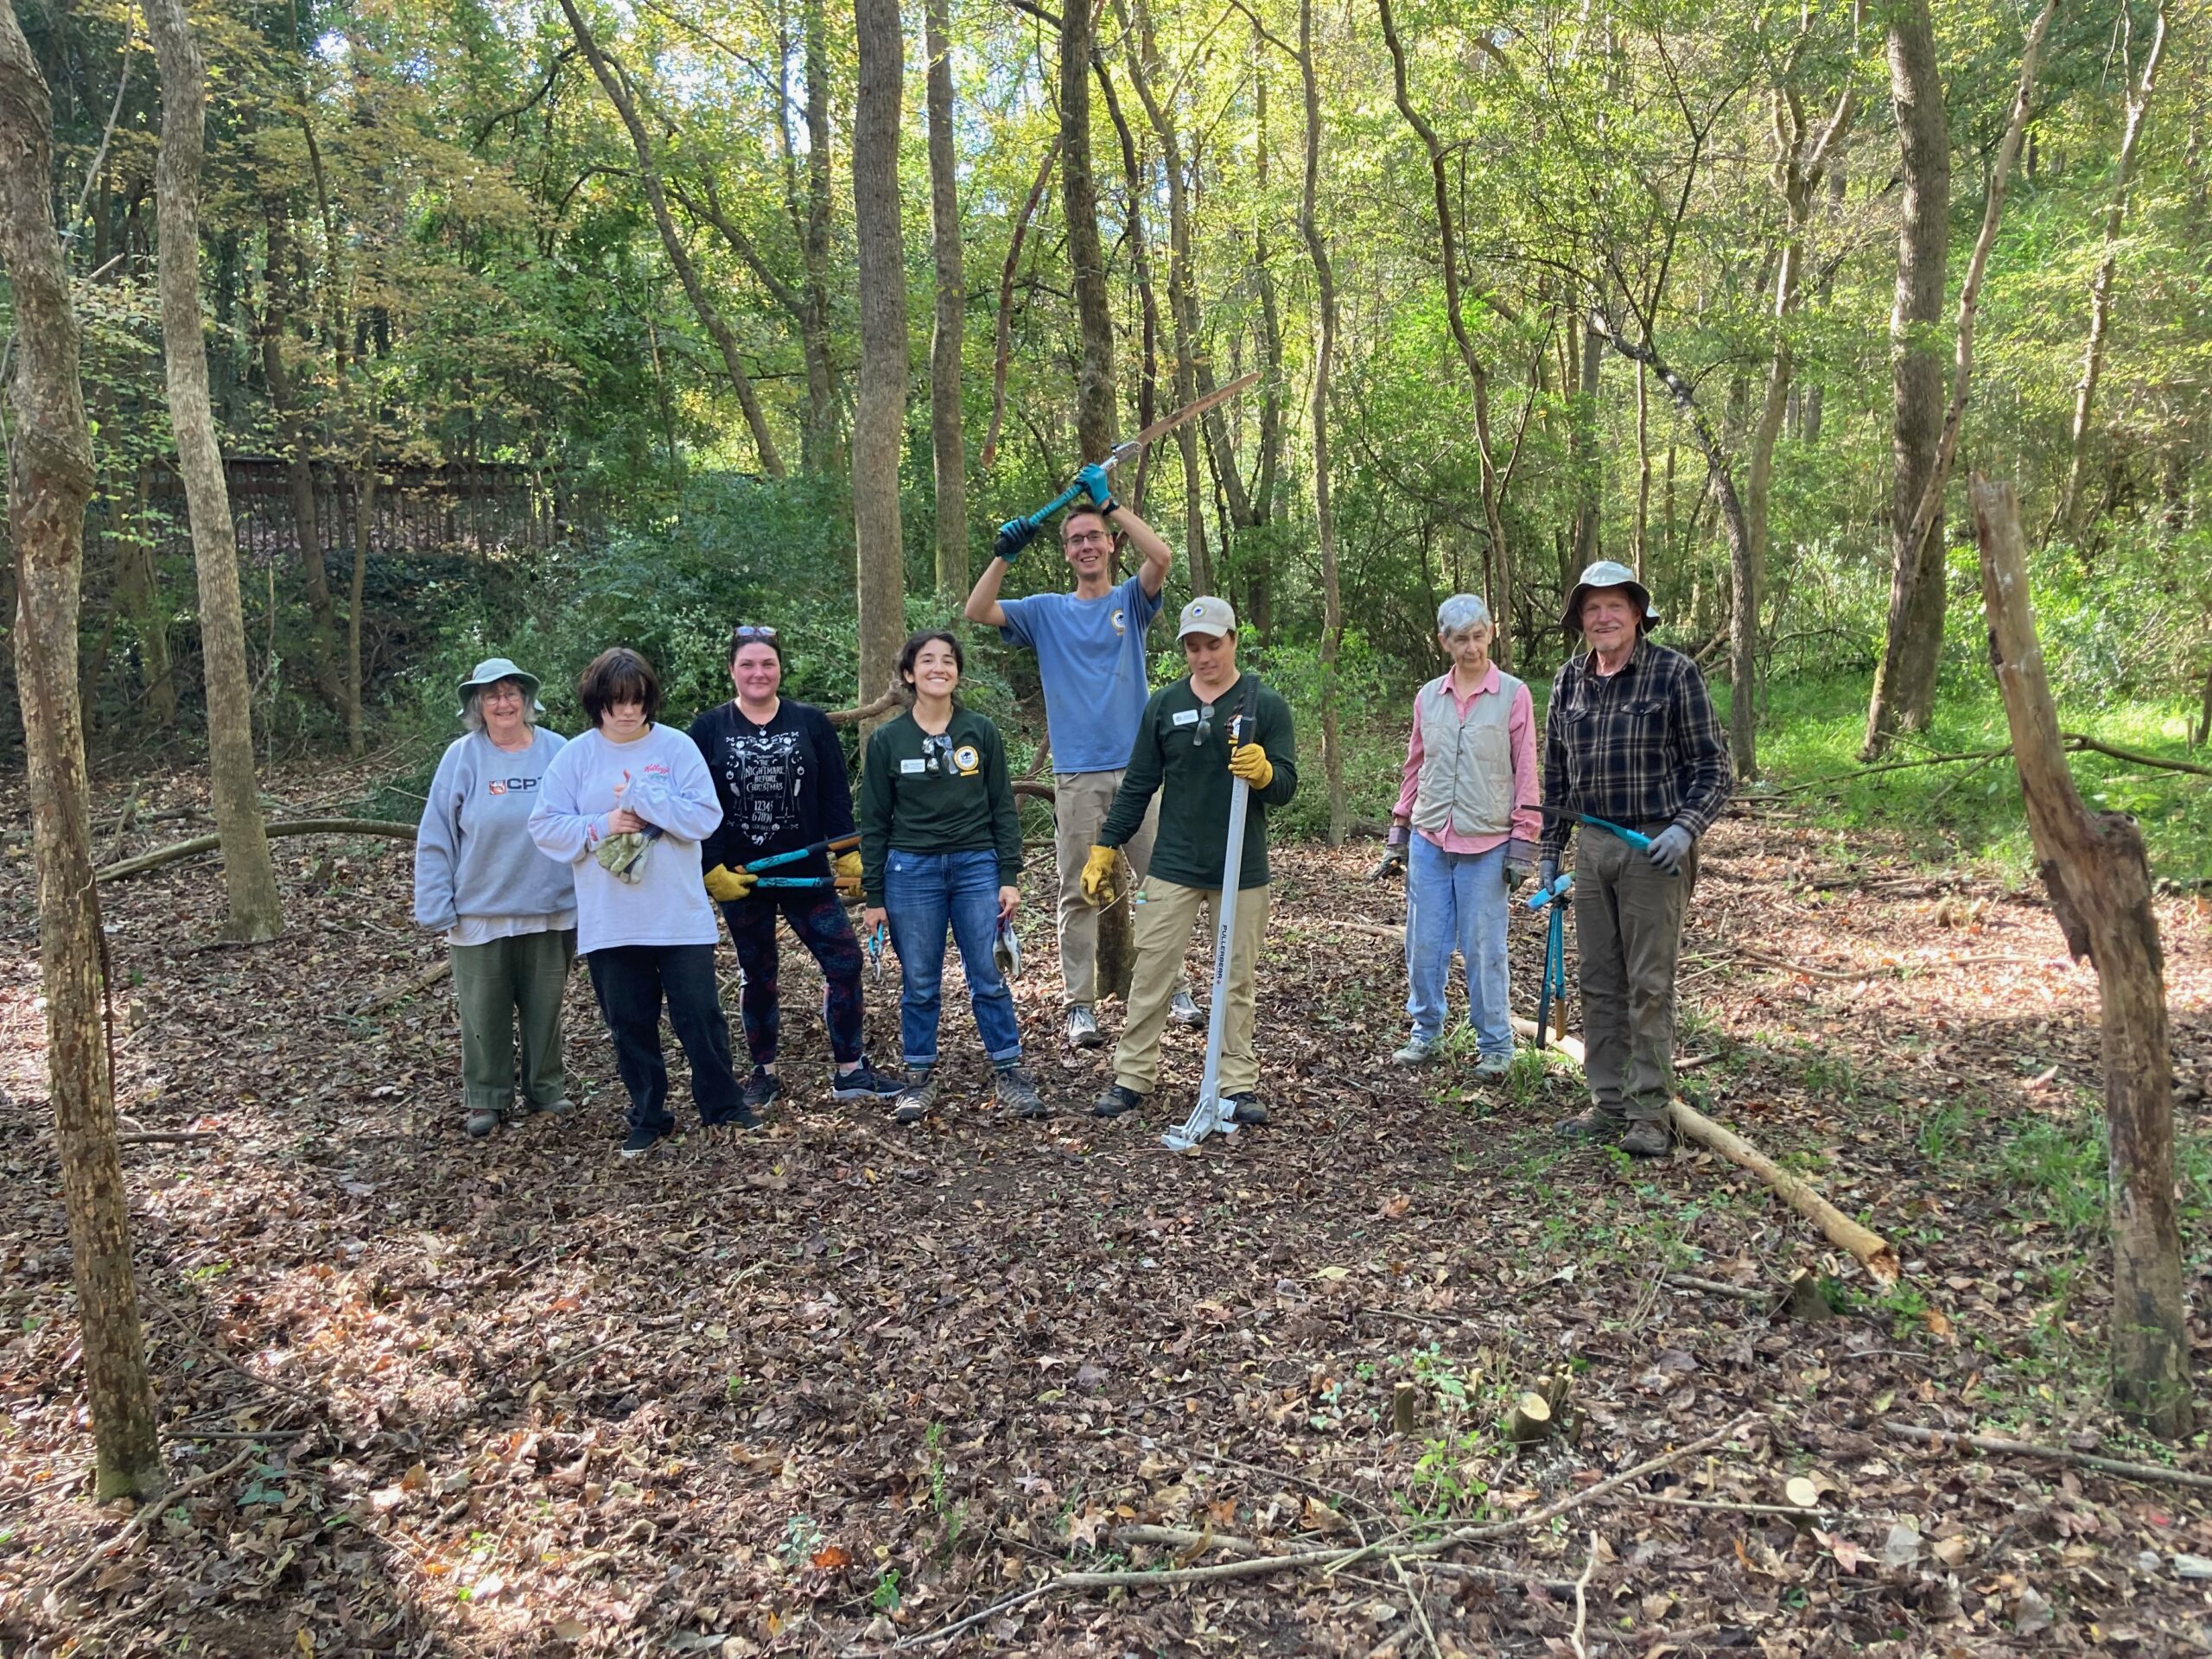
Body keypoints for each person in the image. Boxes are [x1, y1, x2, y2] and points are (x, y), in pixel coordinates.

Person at [963, 467, 1203, 1049]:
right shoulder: (1045, 611)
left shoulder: (1130, 601)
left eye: (1095, 536)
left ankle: (1174, 988)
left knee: (1163, 885)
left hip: (1143, 772)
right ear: (1066, 551)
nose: (1087, 546)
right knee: (1079, 890)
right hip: (1077, 774)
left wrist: (1110, 503)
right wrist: (1004, 556)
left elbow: (1163, 556)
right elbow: (977, 610)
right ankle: (1080, 1007)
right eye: (1076, 539)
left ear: (1110, 544)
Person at [1539, 561, 1731, 1158]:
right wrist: (1550, 853)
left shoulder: (1675, 674)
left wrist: (1685, 828)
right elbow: (1555, 779)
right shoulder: (1569, 681)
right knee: (1600, 981)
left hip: (1655, 848)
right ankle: (1608, 1103)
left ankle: (1650, 1113)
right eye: (1591, 608)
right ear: (1580, 619)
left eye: (1614, 606)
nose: (1603, 617)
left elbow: (1715, 767)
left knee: (1649, 984)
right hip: (1593, 847)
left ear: (1637, 613)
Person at [529, 647, 750, 1157]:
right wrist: (603, 823)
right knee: (629, 1021)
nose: (627, 712)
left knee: (699, 1015)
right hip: (611, 918)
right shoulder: (576, 756)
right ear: (597, 703)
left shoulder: (676, 748)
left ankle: (724, 1105)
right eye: (616, 703)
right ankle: (648, 1114)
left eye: (637, 701)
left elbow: (704, 817)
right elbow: (544, 826)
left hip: (678, 915)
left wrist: (645, 798)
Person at [1084, 597, 1296, 1126]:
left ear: (1233, 640)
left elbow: (1287, 787)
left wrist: (1266, 773)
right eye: (1194, 647)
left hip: (1240, 869)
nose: (1204, 656)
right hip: (1173, 864)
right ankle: (1133, 1076)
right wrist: (1107, 844)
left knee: (1235, 980)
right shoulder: (1164, 705)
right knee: (1152, 970)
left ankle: (1235, 1084)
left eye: (1213, 645)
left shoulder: (1264, 705)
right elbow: (1138, 785)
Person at [690, 624, 902, 1112]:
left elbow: (833, 796)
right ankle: (763, 1072)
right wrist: (711, 867)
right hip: (742, 880)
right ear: (732, 671)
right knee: (757, 973)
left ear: (780, 668)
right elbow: (699, 804)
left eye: (767, 663)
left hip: (808, 874)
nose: (758, 672)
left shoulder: (810, 722)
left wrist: (847, 852)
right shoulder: (707, 729)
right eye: (747, 664)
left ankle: (851, 1071)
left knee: (845, 961)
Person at [857, 631, 1040, 1123]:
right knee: (919, 981)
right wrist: (874, 894)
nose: (939, 667)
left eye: (948, 660)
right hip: (909, 871)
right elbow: (874, 821)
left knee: (988, 974)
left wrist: (1008, 874)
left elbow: (1002, 806)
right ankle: (918, 1078)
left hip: (976, 865)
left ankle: (1010, 1072)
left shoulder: (979, 732)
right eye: (927, 660)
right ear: (909, 674)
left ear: (957, 672)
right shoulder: (887, 740)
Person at [413, 657, 578, 1139]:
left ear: (527, 701)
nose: (503, 703)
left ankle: (546, 1089)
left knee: (545, 1007)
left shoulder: (559, 750)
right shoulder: (463, 757)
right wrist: (436, 903)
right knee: (482, 1011)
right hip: (480, 912)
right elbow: (436, 835)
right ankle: (486, 1098)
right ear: (477, 706)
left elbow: (586, 822)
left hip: (551, 907)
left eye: (511, 693)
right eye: (492, 695)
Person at [1384, 595, 1541, 1077]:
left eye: (1477, 636)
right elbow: (1416, 765)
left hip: (1488, 843)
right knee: (1424, 944)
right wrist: (1399, 827)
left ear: (1491, 633)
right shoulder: (1428, 696)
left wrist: (1524, 841)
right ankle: (1425, 1031)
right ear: (1444, 643)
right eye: (1459, 639)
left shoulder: (1514, 694)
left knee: (1483, 948)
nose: (1470, 647)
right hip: (1430, 838)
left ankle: (1495, 1045)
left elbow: (1526, 771)